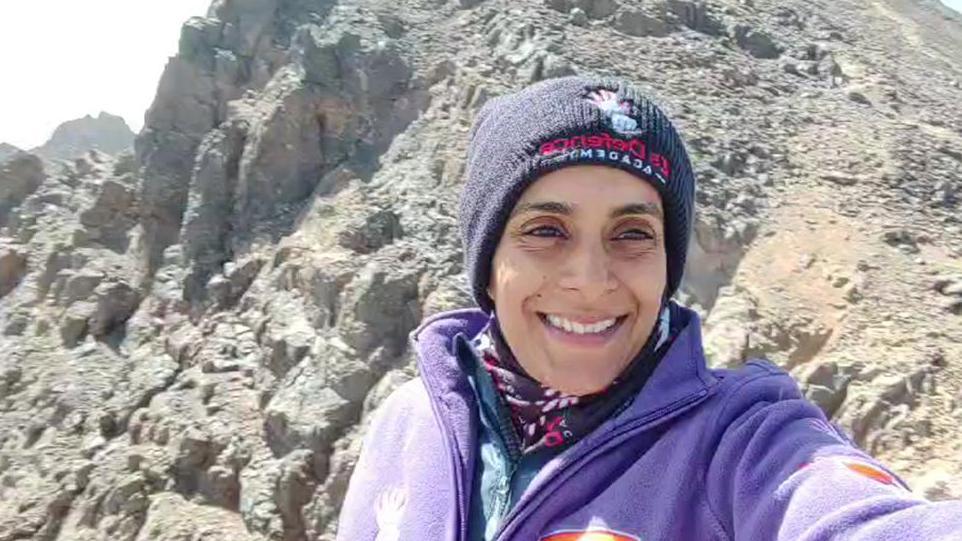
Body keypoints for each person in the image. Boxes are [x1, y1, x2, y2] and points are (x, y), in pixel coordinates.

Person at [335, 76, 962, 541]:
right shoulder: (410, 422)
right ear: (488, 262)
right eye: (546, 230)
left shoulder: (737, 442)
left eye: (633, 233)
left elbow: (855, 518)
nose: (590, 279)